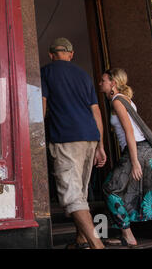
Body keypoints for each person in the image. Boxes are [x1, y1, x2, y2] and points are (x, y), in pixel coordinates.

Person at [41, 37, 107, 249]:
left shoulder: (47, 72)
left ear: (51, 55)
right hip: (90, 137)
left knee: (72, 195)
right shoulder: (85, 76)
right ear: (71, 54)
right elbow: (95, 111)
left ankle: (97, 245)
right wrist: (101, 145)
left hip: (66, 138)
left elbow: (41, 106)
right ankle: (81, 240)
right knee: (81, 192)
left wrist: (37, 135)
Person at [100, 68, 152, 246]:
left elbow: (129, 132)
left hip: (137, 151)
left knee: (110, 189)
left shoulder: (117, 101)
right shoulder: (126, 100)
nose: (100, 84)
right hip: (145, 151)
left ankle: (128, 235)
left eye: (103, 80)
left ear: (113, 83)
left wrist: (134, 162)